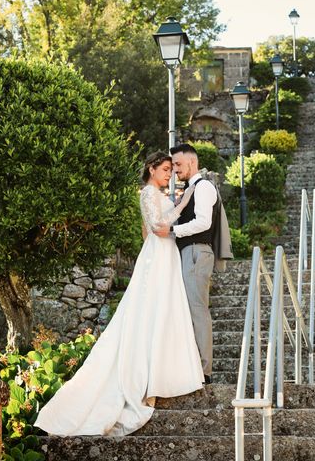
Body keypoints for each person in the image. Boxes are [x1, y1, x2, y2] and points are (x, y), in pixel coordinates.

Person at [34, 151, 204, 436]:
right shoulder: (148, 193)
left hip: (164, 255)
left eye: (169, 170)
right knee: (152, 309)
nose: (168, 174)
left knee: (165, 311)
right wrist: (184, 201)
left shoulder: (158, 193)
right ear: (151, 169)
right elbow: (156, 227)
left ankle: (163, 368)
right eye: (164, 169)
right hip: (158, 255)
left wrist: (177, 202)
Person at [154, 144, 216, 384]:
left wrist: (171, 230)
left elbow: (203, 222)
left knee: (197, 309)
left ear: (192, 162)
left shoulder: (204, 187)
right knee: (187, 310)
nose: (175, 170)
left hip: (195, 253)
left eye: (178, 164)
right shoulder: (190, 190)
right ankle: (192, 367)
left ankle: (204, 370)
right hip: (187, 252)